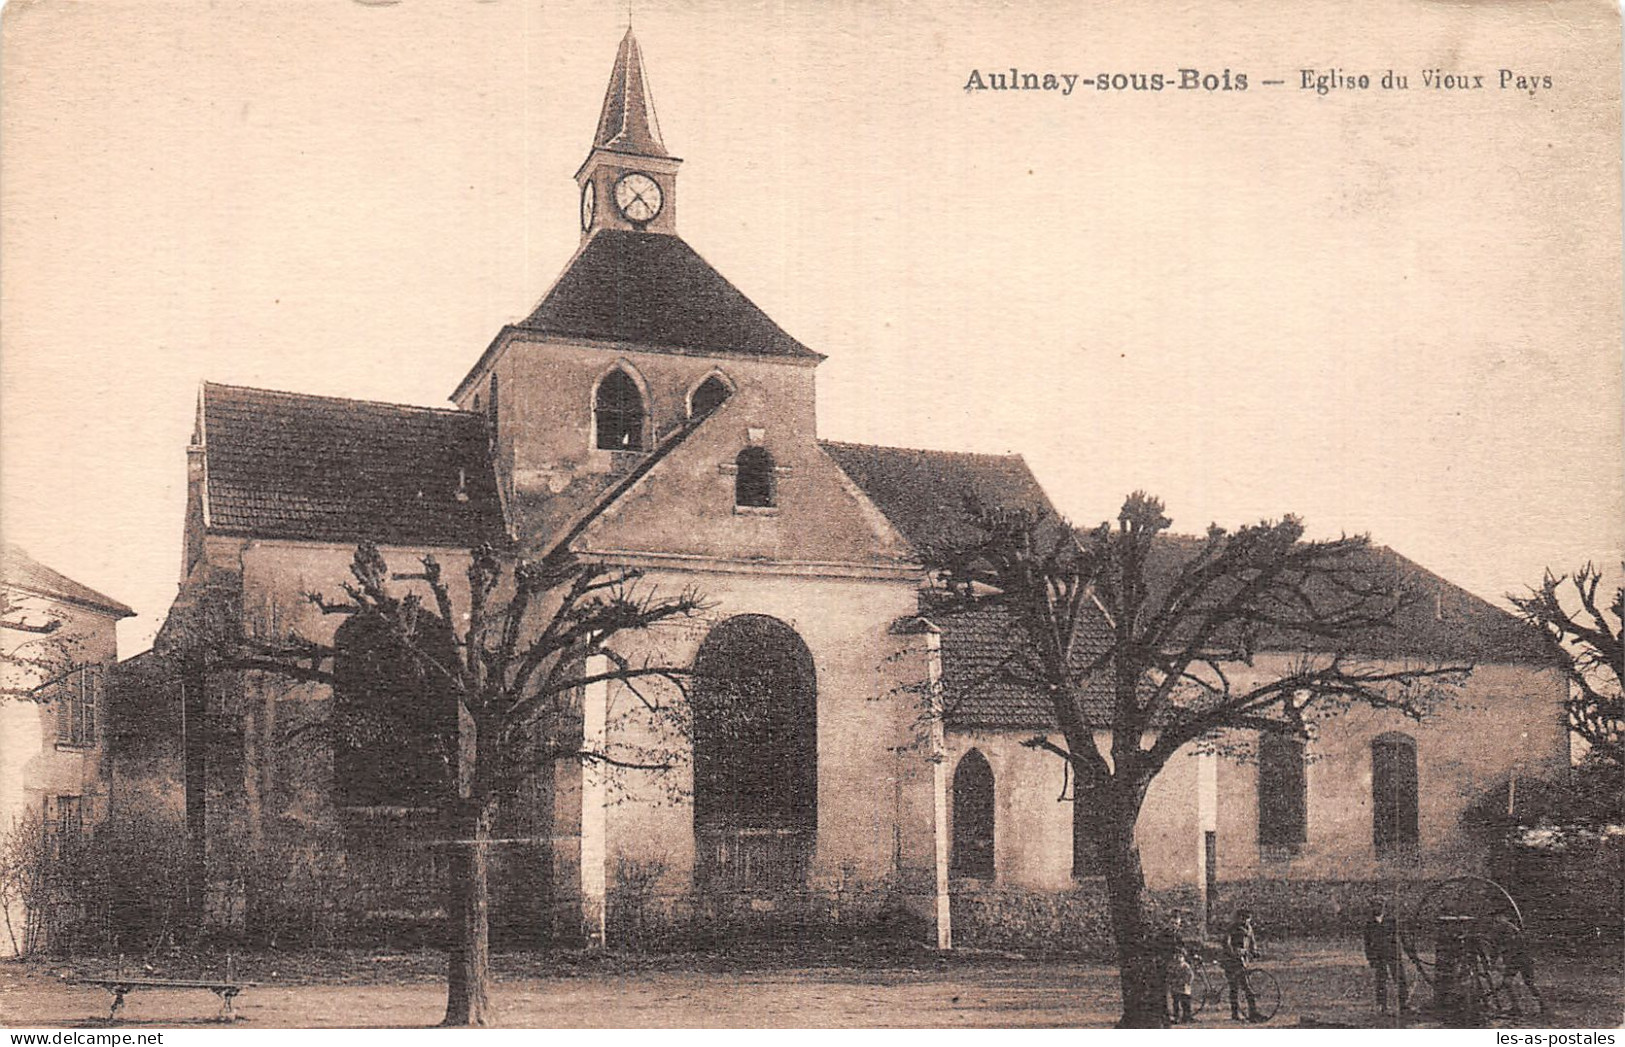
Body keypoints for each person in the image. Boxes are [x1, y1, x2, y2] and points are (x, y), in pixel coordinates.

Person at [1363, 896, 1411, 1016]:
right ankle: (1382, 1006)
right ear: (1372, 907)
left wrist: (1409, 952)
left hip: (1393, 954)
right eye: (1374, 905)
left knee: (1399, 979)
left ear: (1384, 906)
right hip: (1378, 956)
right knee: (1380, 981)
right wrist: (1370, 958)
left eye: (1380, 905)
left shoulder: (1392, 920)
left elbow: (1403, 937)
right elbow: (1367, 943)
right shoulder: (1369, 923)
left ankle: (1404, 1004)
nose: (1377, 908)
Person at [1220, 909, 1261, 1022]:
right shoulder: (1231, 928)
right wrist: (1235, 952)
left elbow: (1252, 942)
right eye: (1243, 918)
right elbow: (1225, 943)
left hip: (1243, 961)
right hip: (1231, 962)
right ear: (1238, 918)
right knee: (1236, 988)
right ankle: (1237, 1014)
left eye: (1248, 918)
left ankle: (1252, 1013)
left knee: (1246, 987)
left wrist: (1255, 951)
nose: (1246, 920)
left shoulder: (1249, 928)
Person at [1168, 944, 1196, 1024]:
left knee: (1185, 1003)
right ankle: (1176, 1017)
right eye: (1176, 955)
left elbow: (1190, 975)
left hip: (1184, 987)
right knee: (1176, 1003)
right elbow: (1169, 975)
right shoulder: (1172, 965)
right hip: (1175, 987)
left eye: (1180, 956)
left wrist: (1187, 982)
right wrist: (1171, 981)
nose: (1178, 957)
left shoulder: (1185, 966)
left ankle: (1186, 1017)